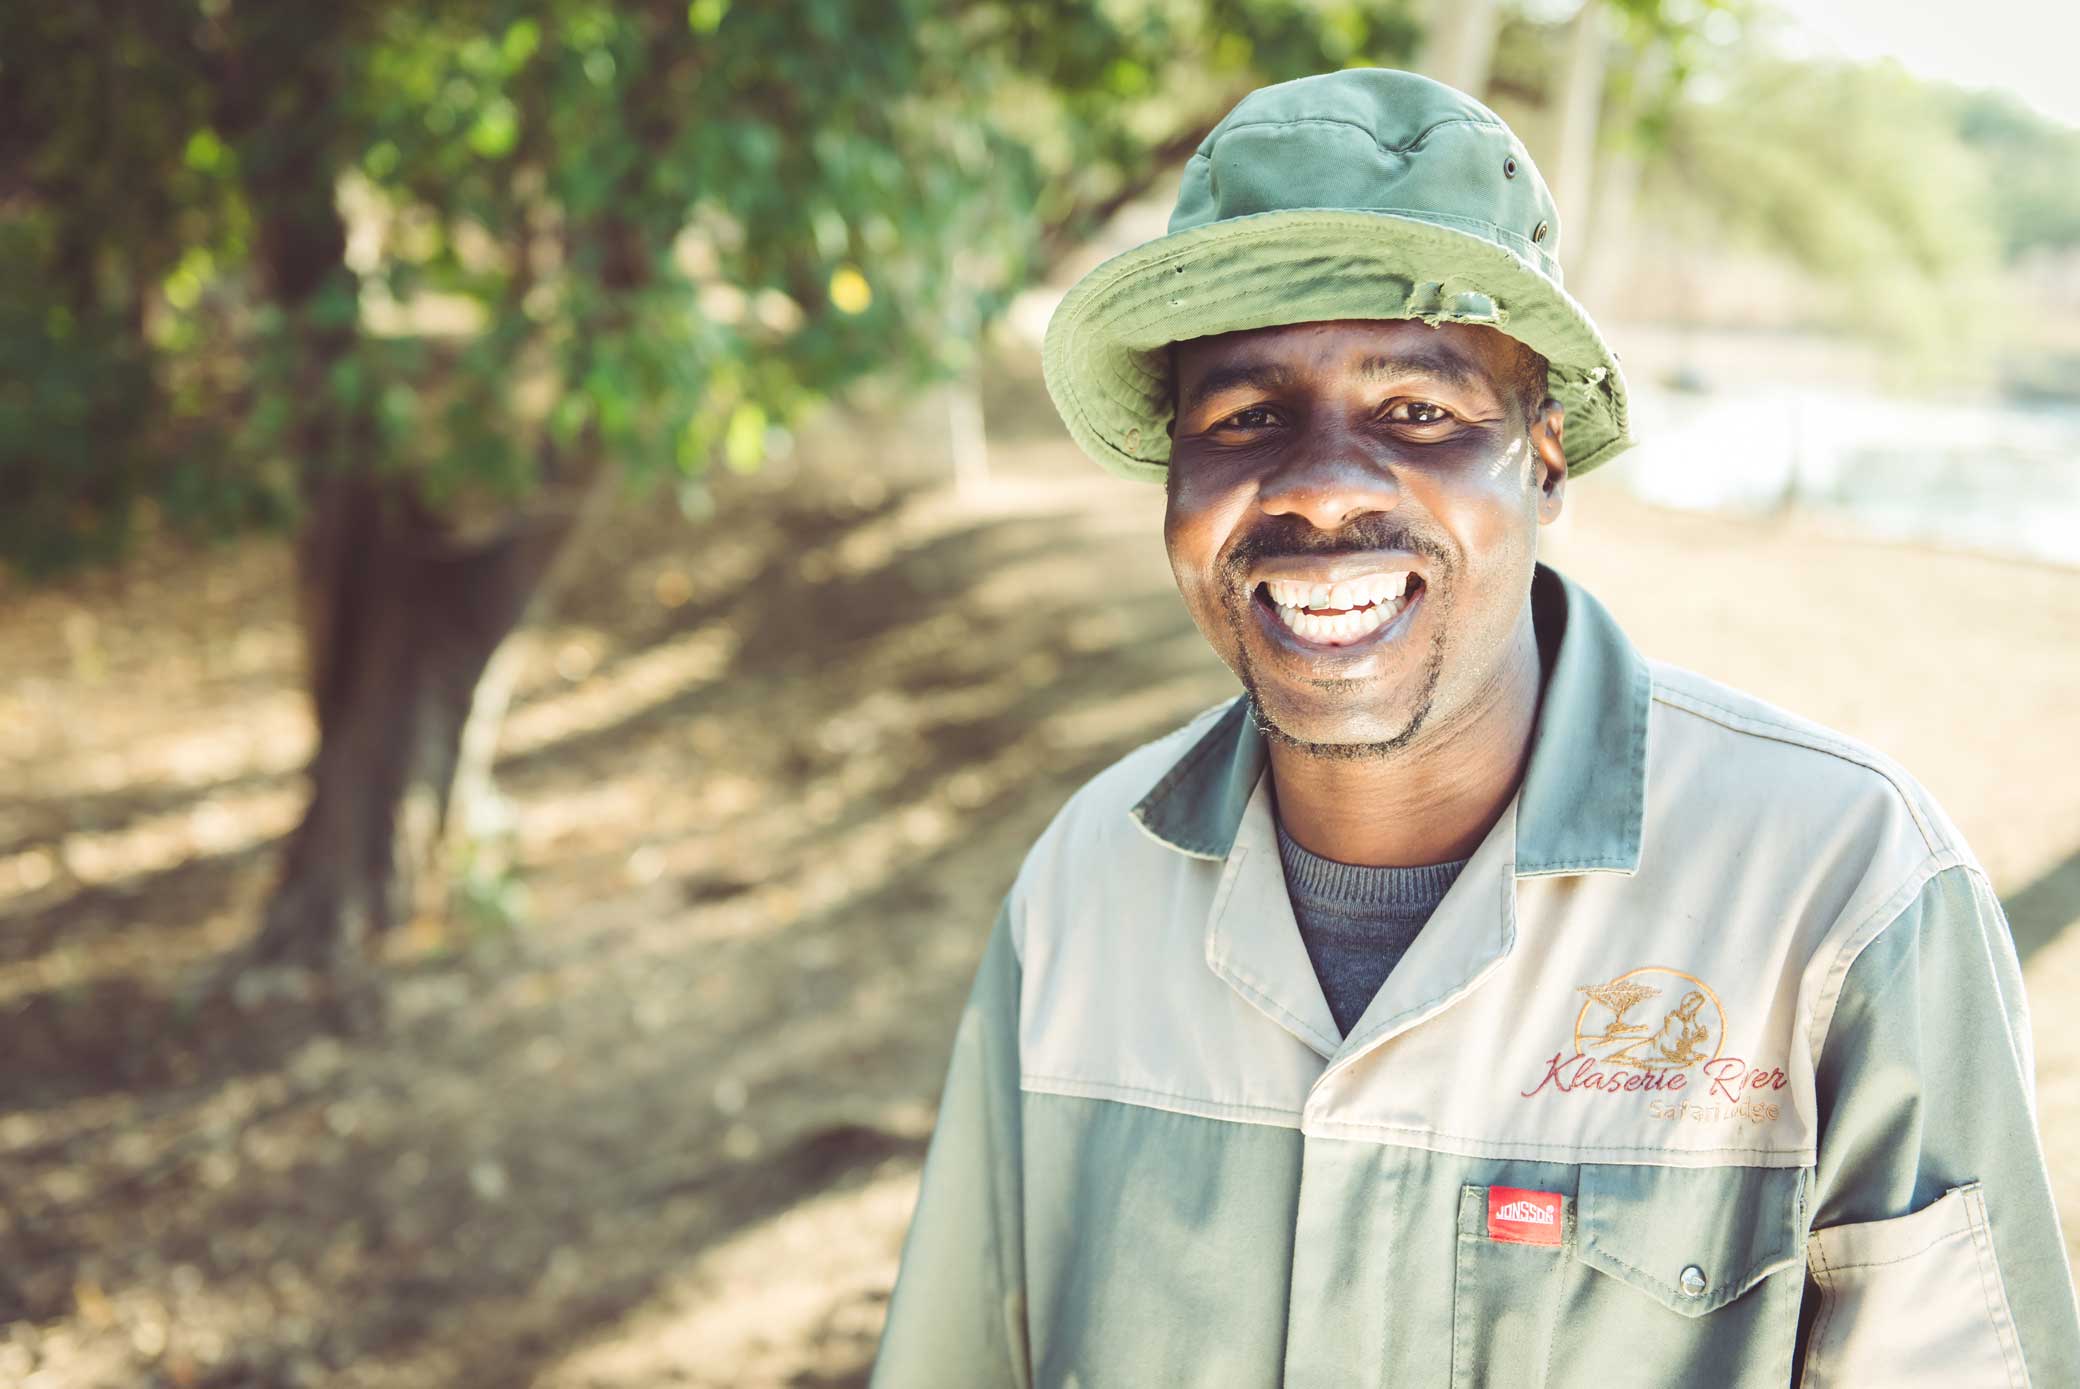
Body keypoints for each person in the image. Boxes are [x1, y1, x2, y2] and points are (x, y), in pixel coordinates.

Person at [868, 67, 2080, 1386]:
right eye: (1247, 415)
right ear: (1177, 476)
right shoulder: (1081, 893)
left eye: (1419, 413)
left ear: (1544, 459)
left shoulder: (1841, 898)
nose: (1325, 489)